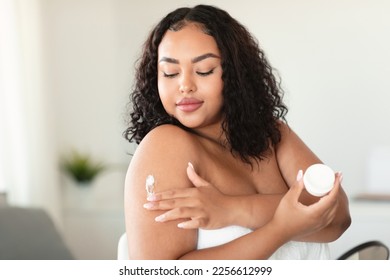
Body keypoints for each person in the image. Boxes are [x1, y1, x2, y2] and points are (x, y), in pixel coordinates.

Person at [123, 4, 351, 260]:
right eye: (170, 73)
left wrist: (230, 209)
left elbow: (338, 216)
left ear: (235, 74)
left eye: (204, 70)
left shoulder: (273, 135)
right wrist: (281, 227)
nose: (185, 85)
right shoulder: (166, 145)